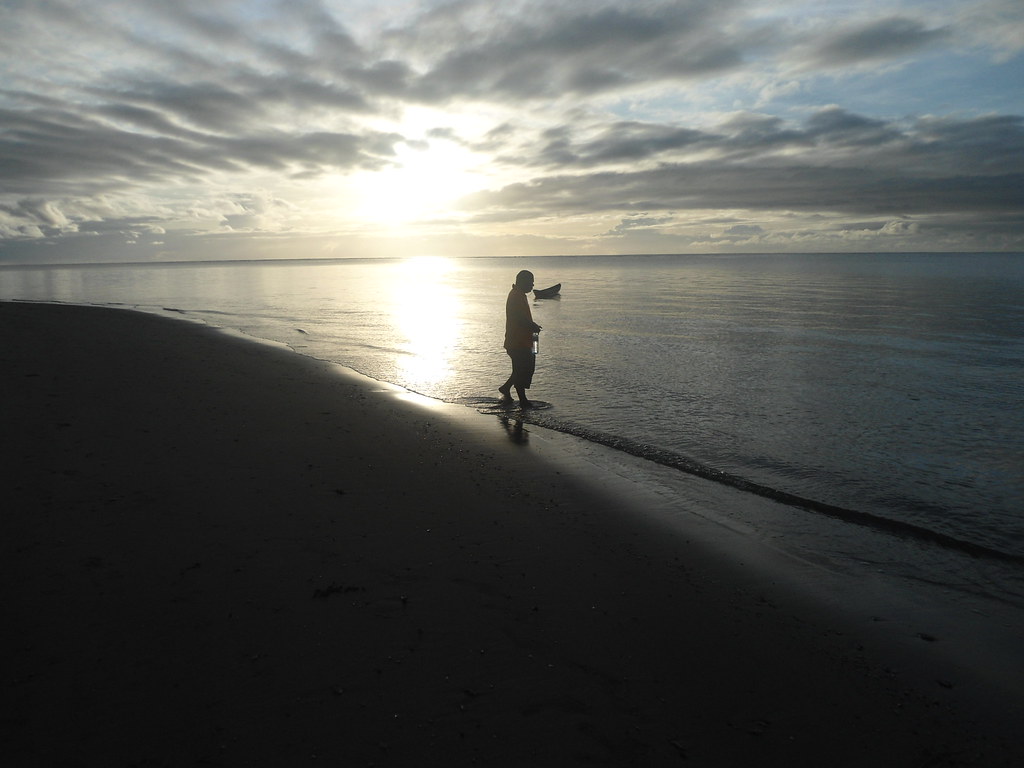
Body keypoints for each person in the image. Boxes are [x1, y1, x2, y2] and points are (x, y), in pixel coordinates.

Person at [499, 270, 542, 408]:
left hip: (525, 340)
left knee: (522, 369)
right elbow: (518, 318)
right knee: (521, 369)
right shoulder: (516, 296)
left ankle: (506, 388)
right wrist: (532, 325)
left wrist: (533, 327)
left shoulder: (519, 295)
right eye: (530, 282)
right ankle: (522, 400)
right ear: (522, 281)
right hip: (517, 341)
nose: (532, 285)